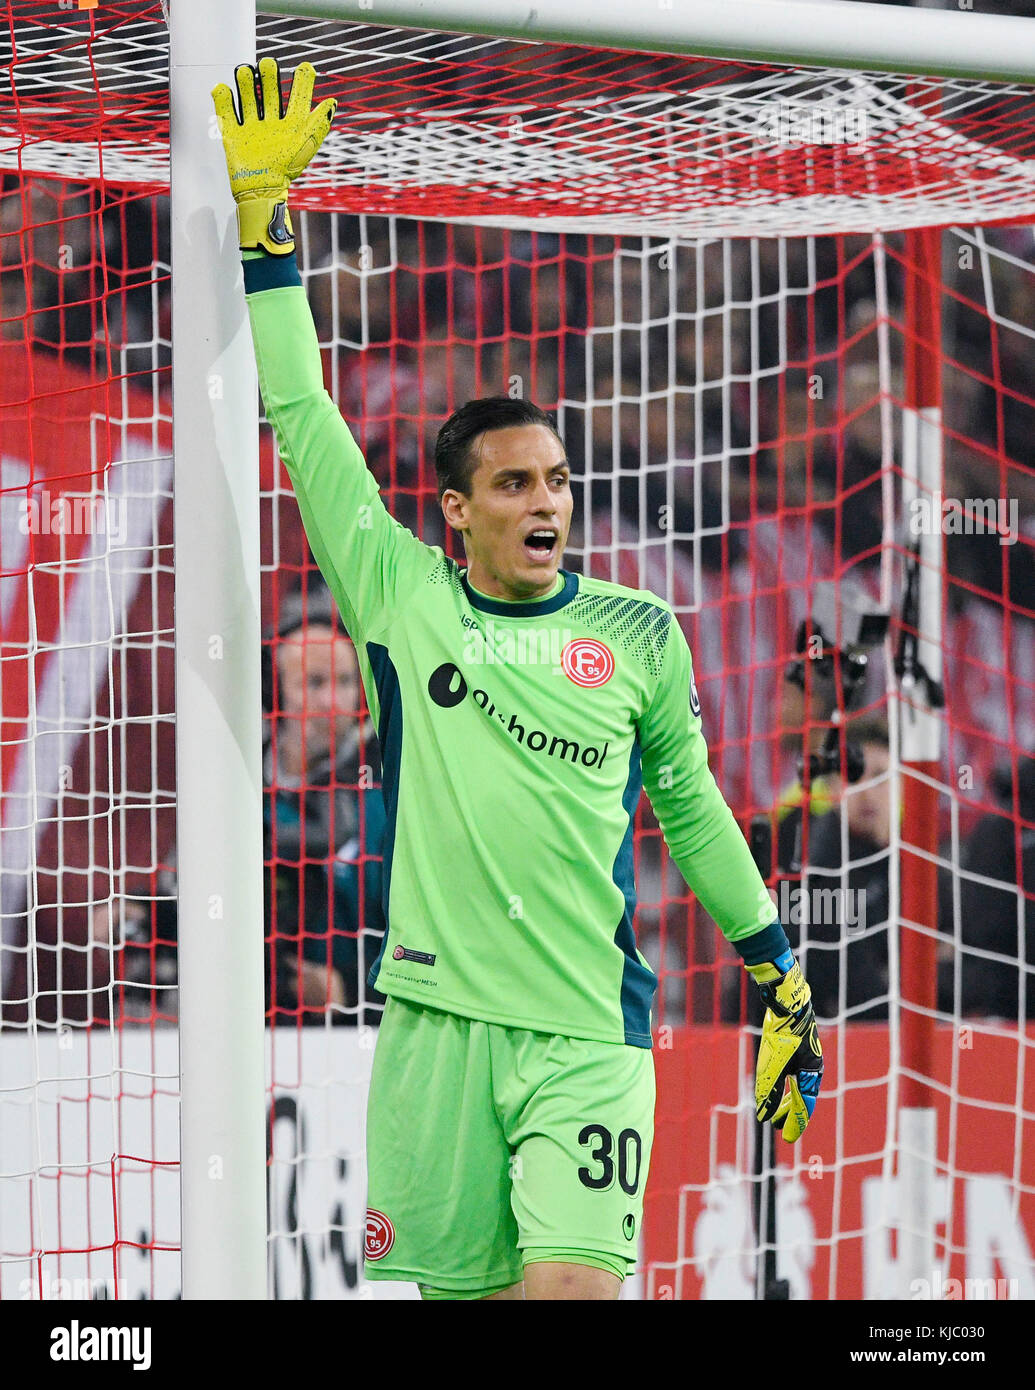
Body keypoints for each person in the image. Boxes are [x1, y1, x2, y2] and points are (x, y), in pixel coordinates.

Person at [212, 58, 824, 1302]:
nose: (545, 500)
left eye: (554, 479)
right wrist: (268, 241)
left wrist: (776, 966)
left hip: (585, 1035)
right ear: (455, 511)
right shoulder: (402, 598)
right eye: (512, 483)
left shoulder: (643, 631)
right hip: (433, 1032)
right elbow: (300, 412)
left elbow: (694, 808)